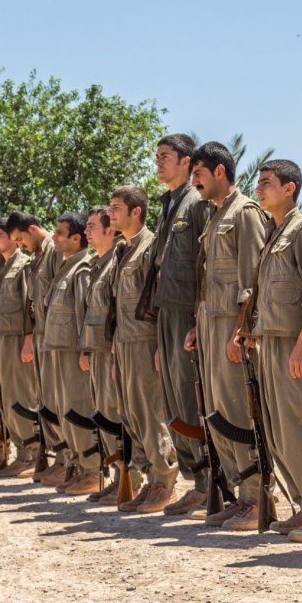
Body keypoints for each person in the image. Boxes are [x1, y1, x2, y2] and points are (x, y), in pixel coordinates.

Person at [241, 159, 302, 540]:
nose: (259, 189)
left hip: (297, 346)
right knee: (281, 433)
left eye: (266, 183)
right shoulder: (274, 234)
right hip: (272, 344)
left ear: (289, 188)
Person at [184, 141, 267, 530]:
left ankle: (256, 499)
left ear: (220, 172)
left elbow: (252, 279)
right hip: (210, 323)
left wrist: (240, 330)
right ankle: (240, 494)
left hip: (232, 327)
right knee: (219, 414)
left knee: (238, 411)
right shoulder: (214, 216)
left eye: (199, 172)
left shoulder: (245, 212)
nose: (194, 180)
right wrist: (196, 327)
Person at [144, 134, 215, 515]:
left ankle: (207, 482)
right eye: (157, 157)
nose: (159, 163)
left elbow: (205, 261)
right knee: (173, 399)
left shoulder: (196, 202)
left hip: (187, 311)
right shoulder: (168, 204)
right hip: (166, 311)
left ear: (186, 162)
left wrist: (197, 317)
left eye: (166, 157)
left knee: (191, 397)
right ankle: (196, 480)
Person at [110, 186, 179, 513]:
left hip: (144, 340)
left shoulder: (150, 246)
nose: (111, 214)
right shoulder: (123, 249)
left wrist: (158, 344)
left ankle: (165, 481)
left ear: (136, 211)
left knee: (150, 412)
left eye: (116, 208)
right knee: (131, 413)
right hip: (124, 342)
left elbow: (158, 297)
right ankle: (150, 479)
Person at [40, 213, 99, 494]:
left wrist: (85, 350)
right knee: (66, 412)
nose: (54, 237)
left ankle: (92, 469)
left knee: (79, 410)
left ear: (76, 239)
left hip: (74, 352)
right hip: (58, 350)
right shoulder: (66, 268)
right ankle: (77, 466)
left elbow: (84, 313)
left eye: (60, 233)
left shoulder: (82, 268)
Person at [6, 211, 65, 480]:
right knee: (45, 398)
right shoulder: (38, 255)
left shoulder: (54, 249)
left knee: (57, 398)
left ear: (32, 229)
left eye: (20, 239)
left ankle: (67, 461)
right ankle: (59, 458)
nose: (20, 245)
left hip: (53, 335)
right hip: (41, 334)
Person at [80, 206, 132, 503]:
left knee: (117, 413)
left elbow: (116, 309)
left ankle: (130, 475)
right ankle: (116, 476)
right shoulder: (97, 264)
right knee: (105, 415)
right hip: (98, 348)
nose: (86, 232)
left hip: (112, 348)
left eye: (91, 227)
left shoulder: (117, 259)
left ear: (109, 231)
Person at [0, 218, 41, 479]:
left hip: (18, 338)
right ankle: (20, 452)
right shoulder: (0, 266)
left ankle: (31, 454)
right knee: (6, 397)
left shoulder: (23, 265)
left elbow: (29, 303)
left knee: (21, 396)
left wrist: (28, 339)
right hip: (1, 338)